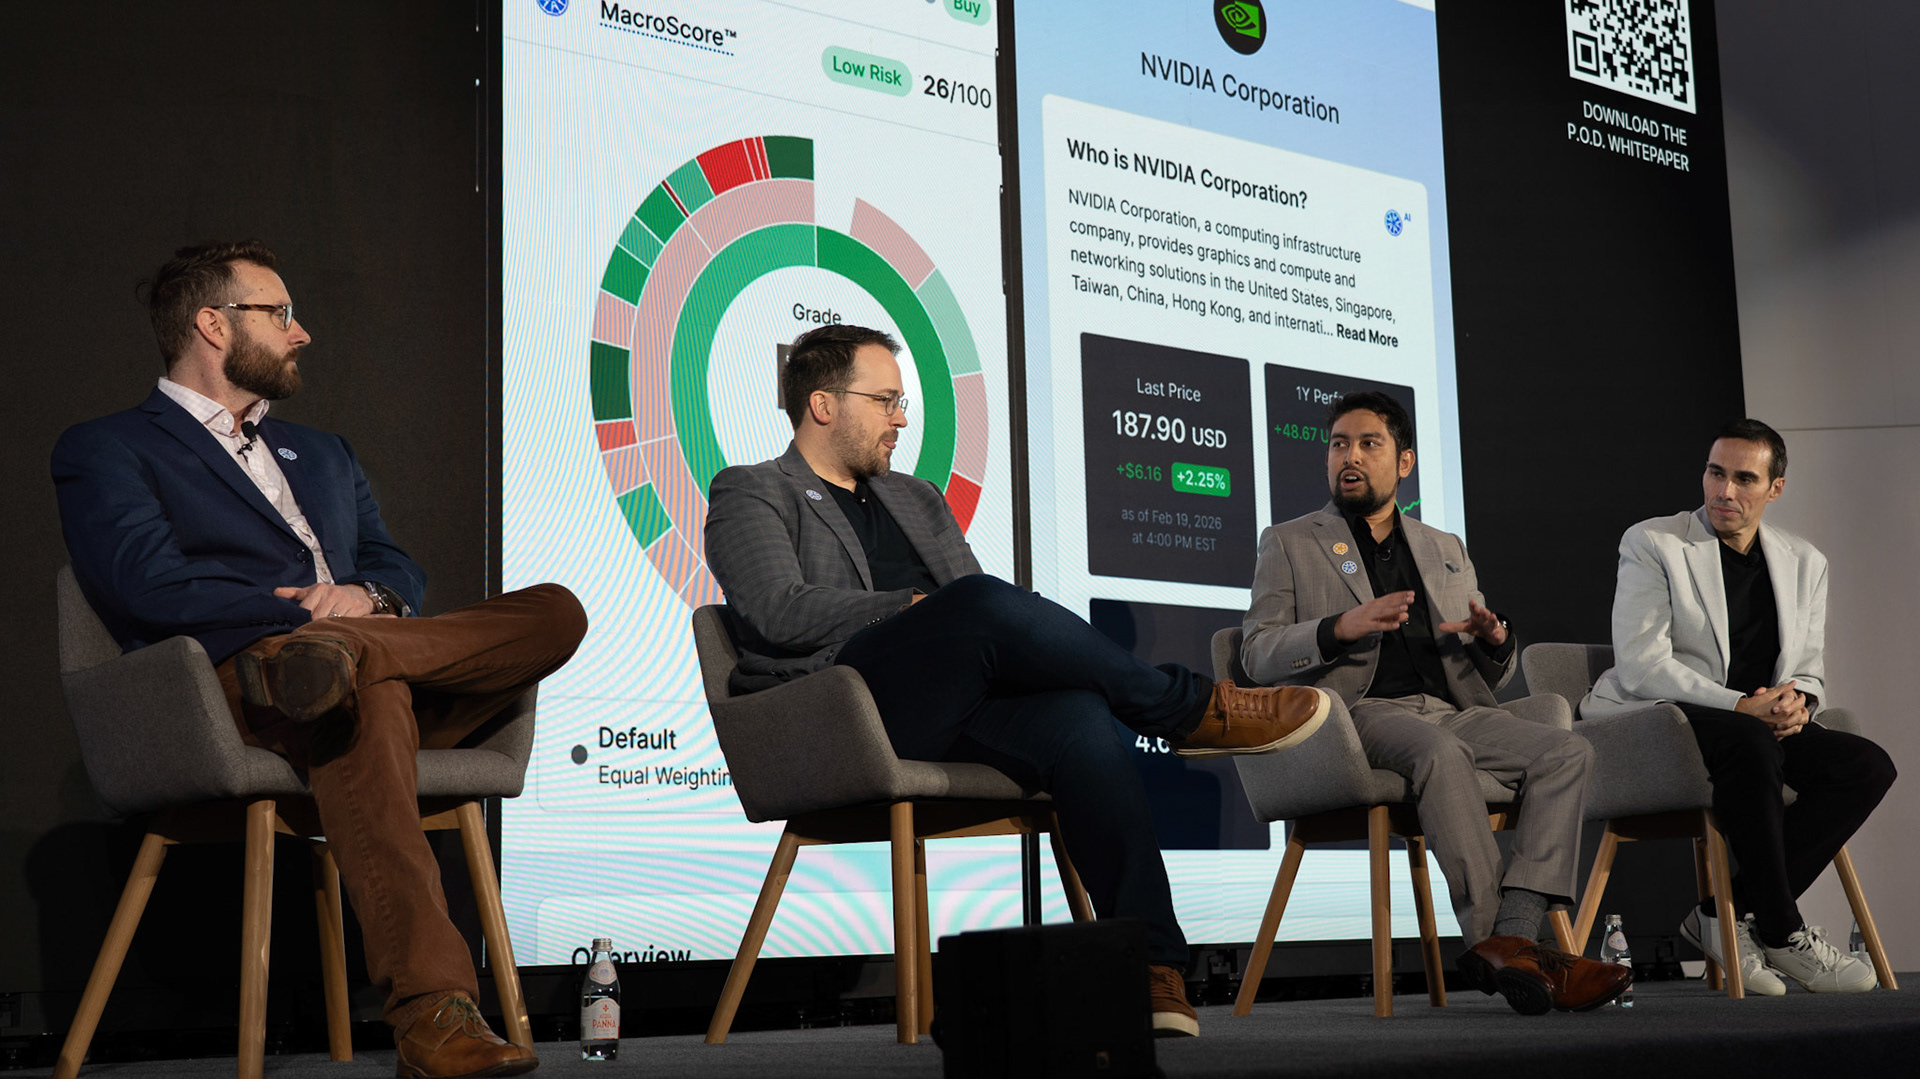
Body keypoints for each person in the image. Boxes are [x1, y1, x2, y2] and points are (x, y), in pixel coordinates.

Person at [53, 241, 588, 1078]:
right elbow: (146, 583)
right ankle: (435, 1013)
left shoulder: (325, 452)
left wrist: (366, 603)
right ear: (212, 325)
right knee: (360, 694)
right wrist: (302, 612)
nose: (300, 333)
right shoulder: (109, 447)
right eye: (279, 314)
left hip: (362, 666)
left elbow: (393, 564)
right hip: (239, 688)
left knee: (554, 611)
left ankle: (346, 656)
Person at [704, 323, 1331, 1037]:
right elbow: (775, 610)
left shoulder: (917, 498)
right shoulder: (753, 489)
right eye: (885, 401)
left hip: (951, 701)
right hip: (844, 708)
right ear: (823, 404)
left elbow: (984, 620)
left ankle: (1150, 964)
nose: (900, 419)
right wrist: (913, 609)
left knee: (1079, 718)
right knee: (976, 602)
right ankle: (1187, 709)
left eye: (901, 402)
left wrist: (949, 617)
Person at [1239, 391, 1628, 1015]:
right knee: (1441, 754)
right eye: (1339, 444)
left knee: (1567, 752)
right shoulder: (1289, 541)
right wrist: (1339, 627)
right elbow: (1256, 654)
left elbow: (1490, 671)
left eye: (1369, 444)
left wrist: (1495, 639)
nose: (1350, 457)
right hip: (1359, 715)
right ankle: (1503, 943)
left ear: (1405, 462)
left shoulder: (1444, 546)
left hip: (1452, 709)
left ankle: (1512, 936)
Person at [1583, 419, 1895, 995]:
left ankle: (1726, 914)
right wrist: (1741, 706)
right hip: (1663, 715)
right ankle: (1782, 929)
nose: (1724, 491)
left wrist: (1799, 702)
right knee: (1750, 742)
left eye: (1744, 479)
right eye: (1715, 473)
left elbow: (1808, 665)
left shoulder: (1805, 561)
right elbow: (1642, 665)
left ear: (1775, 488)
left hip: (1755, 723)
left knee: (1867, 766)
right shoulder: (1654, 542)